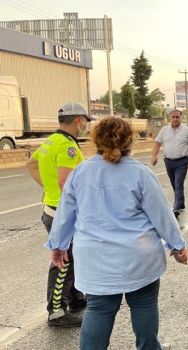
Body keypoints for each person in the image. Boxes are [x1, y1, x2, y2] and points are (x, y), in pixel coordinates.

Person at [45, 117, 188, 350]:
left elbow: (64, 215)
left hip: (95, 259)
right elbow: (161, 214)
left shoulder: (80, 172)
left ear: (96, 140)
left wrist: (58, 245)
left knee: (98, 309)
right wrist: (177, 246)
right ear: (129, 140)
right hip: (139, 257)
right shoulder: (140, 174)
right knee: (144, 306)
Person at [25, 102, 94, 327]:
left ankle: (75, 299)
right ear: (78, 121)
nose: (86, 126)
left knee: (71, 256)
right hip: (62, 213)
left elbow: (31, 164)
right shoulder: (67, 147)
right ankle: (56, 311)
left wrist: (47, 188)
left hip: (52, 208)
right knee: (63, 260)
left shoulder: (50, 141)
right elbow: (65, 181)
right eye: (85, 121)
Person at [150, 110, 188, 217]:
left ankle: (176, 208)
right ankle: (181, 203)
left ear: (181, 118)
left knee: (178, 183)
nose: (175, 119)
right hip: (168, 161)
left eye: (177, 117)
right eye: (173, 117)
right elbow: (157, 144)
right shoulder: (164, 130)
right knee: (174, 184)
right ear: (171, 117)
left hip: (181, 161)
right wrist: (154, 156)